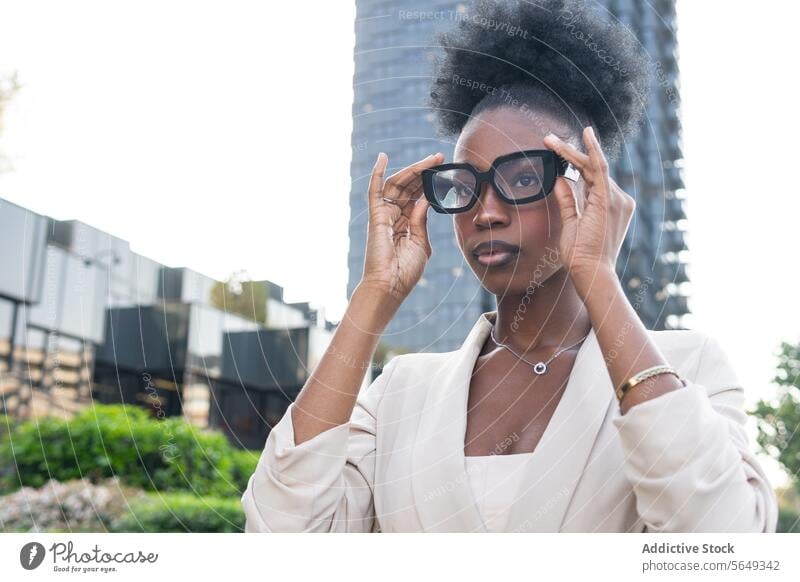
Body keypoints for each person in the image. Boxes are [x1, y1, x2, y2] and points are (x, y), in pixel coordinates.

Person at [241, 0, 777, 532]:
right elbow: (282, 534)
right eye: (465, 186)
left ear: (588, 190)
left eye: (523, 178)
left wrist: (596, 272)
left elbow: (722, 540)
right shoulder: (402, 392)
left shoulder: (688, 369)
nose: (486, 212)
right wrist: (374, 294)